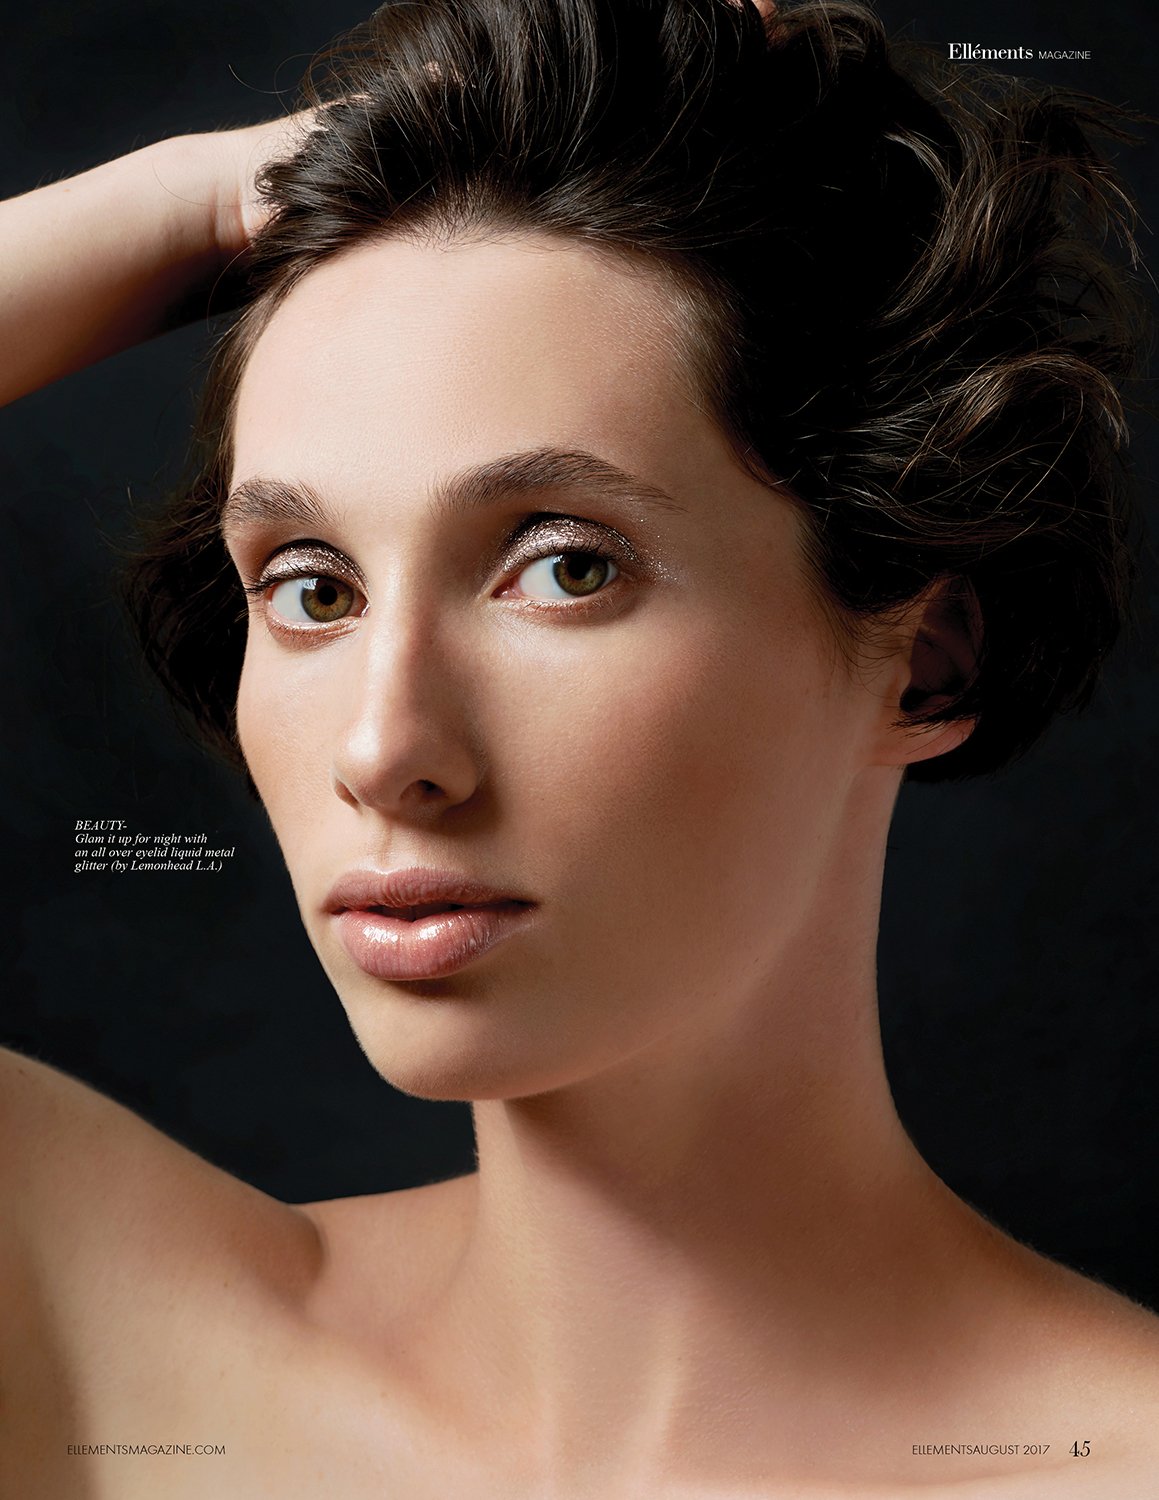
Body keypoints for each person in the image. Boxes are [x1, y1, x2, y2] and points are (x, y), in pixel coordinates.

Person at [2, 0, 1156, 1495]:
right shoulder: (91, 1322)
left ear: (923, 662)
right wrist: (208, 197)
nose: (383, 746)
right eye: (311, 588)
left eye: (566, 565)